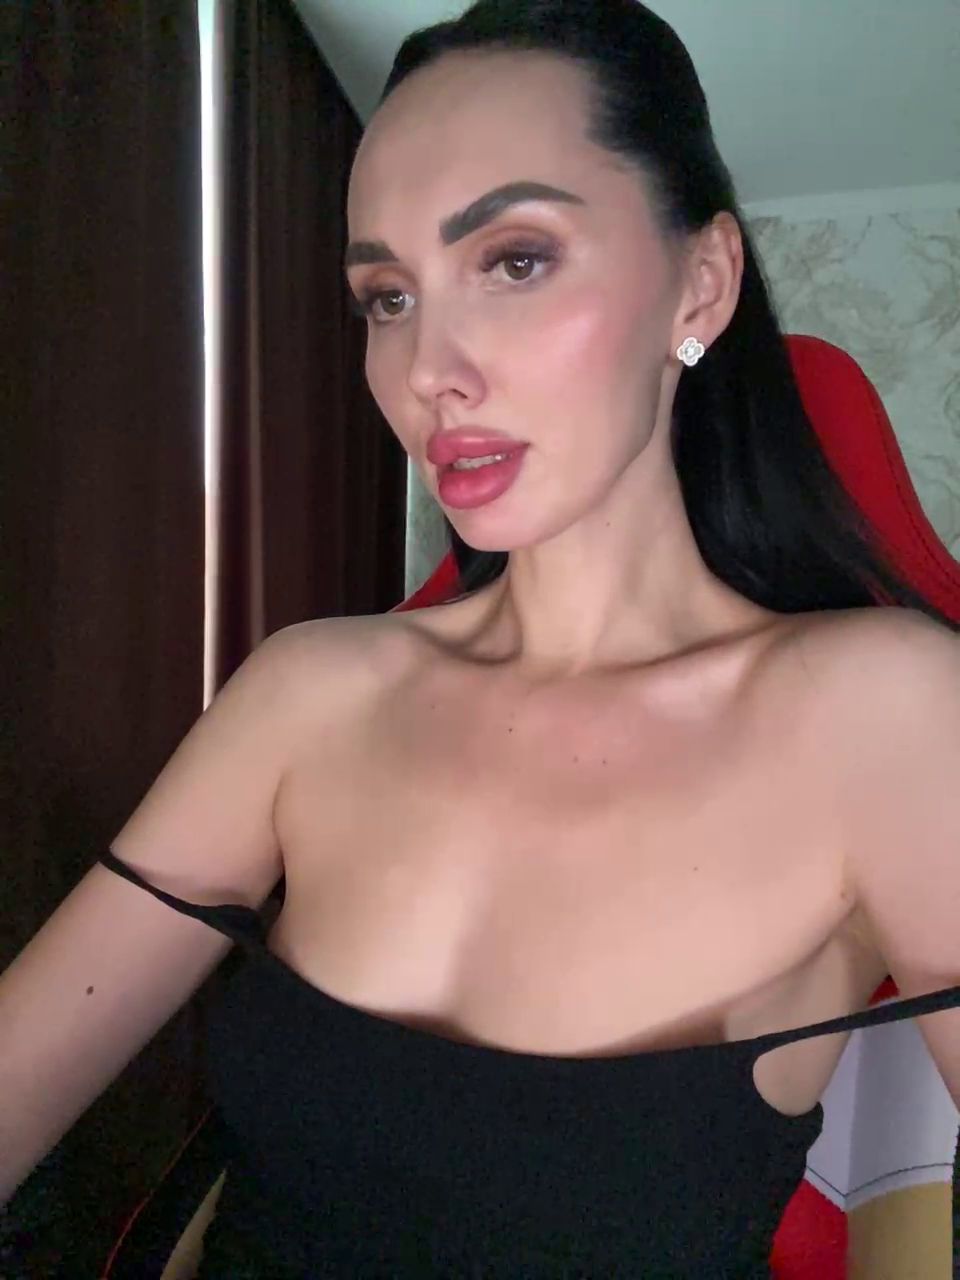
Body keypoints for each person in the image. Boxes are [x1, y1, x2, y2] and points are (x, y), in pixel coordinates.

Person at [2, 0, 958, 1274]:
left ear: (702, 280)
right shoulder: (306, 691)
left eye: (514, 260)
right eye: (387, 295)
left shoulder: (885, 716)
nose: (426, 369)